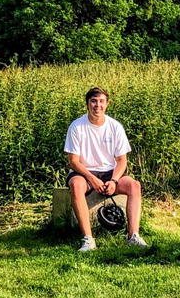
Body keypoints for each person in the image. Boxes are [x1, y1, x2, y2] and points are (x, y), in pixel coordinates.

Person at [64, 87, 147, 252]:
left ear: (107, 104)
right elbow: (73, 162)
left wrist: (114, 181)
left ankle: (133, 236)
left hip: (110, 172)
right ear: (87, 104)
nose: (98, 105)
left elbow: (122, 161)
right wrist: (92, 179)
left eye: (101, 101)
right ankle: (88, 239)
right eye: (93, 101)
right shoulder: (76, 127)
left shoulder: (115, 126)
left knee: (134, 185)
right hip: (84, 172)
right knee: (76, 185)